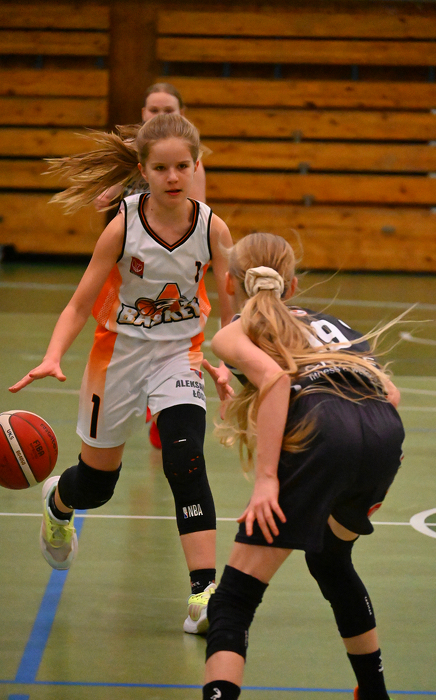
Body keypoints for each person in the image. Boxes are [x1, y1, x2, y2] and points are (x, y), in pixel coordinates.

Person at [9, 113, 233, 635]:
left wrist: (230, 361)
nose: (173, 177)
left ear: (196, 166)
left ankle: (204, 593)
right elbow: (79, 303)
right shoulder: (124, 225)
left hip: (179, 355)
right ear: (143, 171)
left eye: (183, 166)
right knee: (97, 485)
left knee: (186, 461)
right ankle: (59, 502)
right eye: (162, 168)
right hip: (117, 357)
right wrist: (53, 354)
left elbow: (231, 307)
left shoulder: (212, 228)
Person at [200, 232, 405, 699]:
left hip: (327, 435)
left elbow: (275, 380)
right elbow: (389, 394)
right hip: (384, 433)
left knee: (233, 600)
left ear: (229, 283)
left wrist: (267, 480)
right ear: (291, 286)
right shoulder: (334, 324)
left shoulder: (232, 332)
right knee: (331, 560)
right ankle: (374, 693)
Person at [94, 82, 207, 450]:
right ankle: (138, 393)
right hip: (132, 266)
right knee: (117, 328)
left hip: (173, 268)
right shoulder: (133, 156)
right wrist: (111, 190)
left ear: (181, 114)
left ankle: (165, 406)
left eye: (167, 110)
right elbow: (103, 198)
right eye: (153, 110)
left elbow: (197, 217)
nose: (159, 115)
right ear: (143, 113)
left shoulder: (188, 163)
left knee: (169, 339)